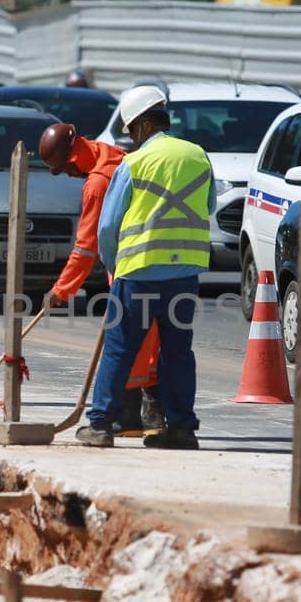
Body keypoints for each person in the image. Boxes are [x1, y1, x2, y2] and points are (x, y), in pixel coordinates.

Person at [80, 85, 211, 450]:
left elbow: (108, 226)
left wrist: (113, 263)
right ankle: (182, 428)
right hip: (185, 273)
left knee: (120, 348)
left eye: (131, 131)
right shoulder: (198, 156)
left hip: (137, 272)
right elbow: (210, 205)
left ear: (141, 125)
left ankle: (101, 425)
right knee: (178, 351)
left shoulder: (133, 163)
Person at [38, 121, 162, 433]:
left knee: (127, 340)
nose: (68, 174)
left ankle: (129, 415)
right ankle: (152, 415)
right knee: (149, 339)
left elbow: (86, 247)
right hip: (157, 259)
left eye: (66, 168)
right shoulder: (112, 153)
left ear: (73, 157)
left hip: (128, 264)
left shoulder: (97, 183)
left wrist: (61, 291)